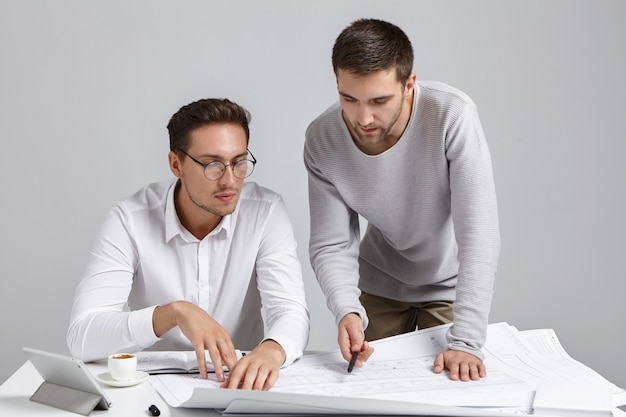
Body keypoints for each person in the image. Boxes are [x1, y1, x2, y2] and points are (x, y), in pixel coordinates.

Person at [304, 18, 500, 382]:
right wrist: (347, 309)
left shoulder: (451, 115)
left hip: (449, 286)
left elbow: (479, 234)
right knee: (368, 390)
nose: (363, 118)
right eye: (349, 99)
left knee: (451, 389)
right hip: (378, 286)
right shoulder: (322, 138)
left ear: (409, 84)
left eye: (379, 101)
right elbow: (331, 243)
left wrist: (468, 341)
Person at [67, 98, 310, 390]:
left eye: (239, 162)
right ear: (176, 164)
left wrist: (271, 349)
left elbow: (290, 311)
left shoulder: (266, 211)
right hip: (151, 389)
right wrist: (172, 313)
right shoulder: (129, 220)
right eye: (212, 165)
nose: (230, 181)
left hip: (238, 387)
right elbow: (83, 336)